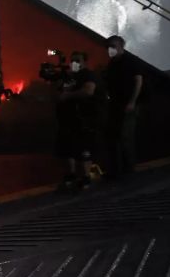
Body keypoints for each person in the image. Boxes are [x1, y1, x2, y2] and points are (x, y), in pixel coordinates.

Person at [55, 52, 100, 190]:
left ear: (84, 61)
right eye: (72, 60)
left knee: (84, 149)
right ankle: (71, 175)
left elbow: (88, 91)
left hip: (84, 118)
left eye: (77, 60)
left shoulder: (88, 75)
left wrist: (68, 95)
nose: (74, 62)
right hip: (68, 119)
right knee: (68, 148)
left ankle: (86, 177)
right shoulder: (69, 77)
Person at [103, 35, 144, 178]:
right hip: (115, 104)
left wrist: (132, 102)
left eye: (113, 46)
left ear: (121, 47)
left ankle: (129, 169)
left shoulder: (131, 61)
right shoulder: (112, 63)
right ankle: (115, 170)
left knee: (125, 135)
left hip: (128, 104)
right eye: (109, 46)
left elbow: (138, 81)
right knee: (113, 136)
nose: (110, 49)